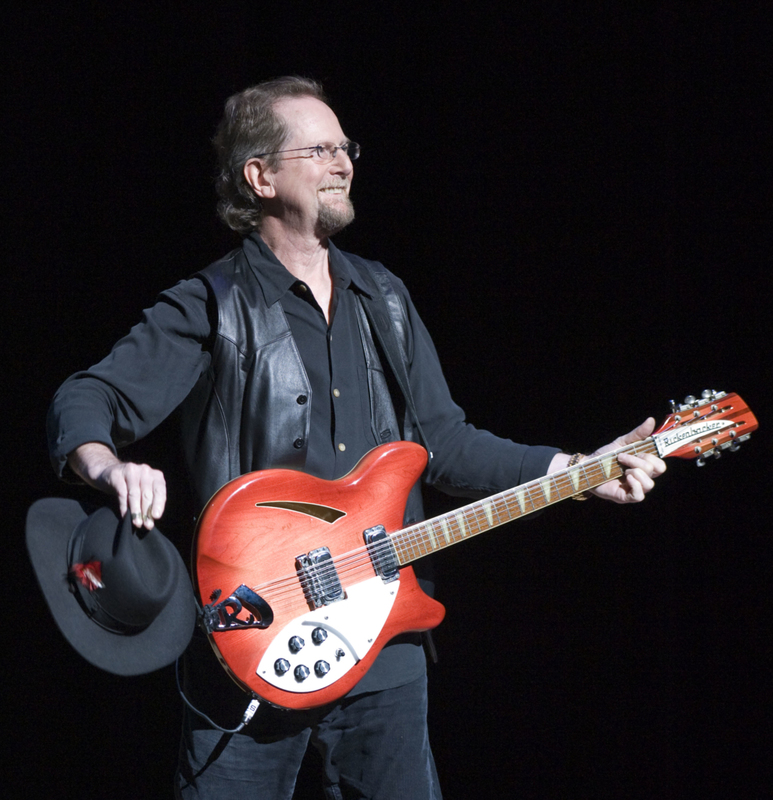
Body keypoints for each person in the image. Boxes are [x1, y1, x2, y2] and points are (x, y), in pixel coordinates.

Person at [47, 77, 666, 799]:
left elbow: (447, 443)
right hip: (251, 635)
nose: (344, 163)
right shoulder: (210, 305)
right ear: (261, 175)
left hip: (383, 646)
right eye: (322, 149)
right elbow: (88, 396)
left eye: (348, 148)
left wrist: (578, 467)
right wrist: (108, 466)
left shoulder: (387, 299)